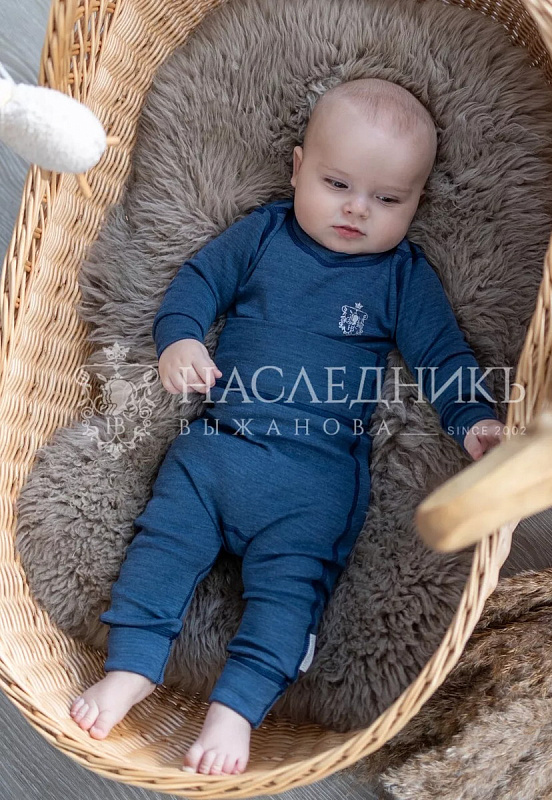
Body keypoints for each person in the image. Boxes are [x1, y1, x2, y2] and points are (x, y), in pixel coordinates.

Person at [69, 77, 503, 775]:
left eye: (388, 199)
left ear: (417, 203)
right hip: (216, 450)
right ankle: (133, 667)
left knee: (289, 600)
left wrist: (474, 418)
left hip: (313, 481)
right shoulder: (264, 235)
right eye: (337, 184)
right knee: (161, 545)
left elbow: (442, 355)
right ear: (298, 168)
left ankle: (236, 708)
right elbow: (198, 282)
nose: (358, 209)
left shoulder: (401, 276)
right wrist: (181, 339)